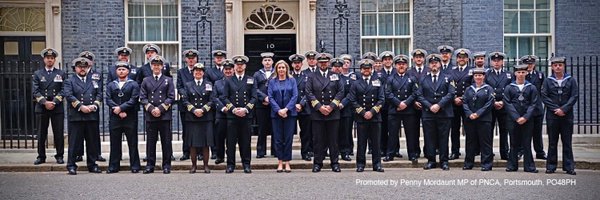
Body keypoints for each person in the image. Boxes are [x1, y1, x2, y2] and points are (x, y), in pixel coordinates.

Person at [305, 53, 344, 173]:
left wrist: (332, 106)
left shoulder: (335, 75)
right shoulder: (311, 76)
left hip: (333, 113)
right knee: (318, 140)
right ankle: (317, 163)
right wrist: (320, 107)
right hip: (318, 113)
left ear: (328, 63)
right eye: (321, 62)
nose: (323, 64)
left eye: (325, 62)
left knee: (333, 140)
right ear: (317, 63)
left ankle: (335, 163)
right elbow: (308, 92)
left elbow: (341, 91)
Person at [64, 57, 102, 175]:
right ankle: (71, 165)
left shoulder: (94, 80)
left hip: (91, 116)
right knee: (74, 143)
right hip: (76, 116)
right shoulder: (69, 81)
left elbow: (99, 94)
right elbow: (69, 96)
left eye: (84, 67)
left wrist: (94, 105)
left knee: (91, 142)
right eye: (80, 67)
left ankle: (92, 164)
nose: (82, 69)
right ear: (75, 68)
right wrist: (81, 106)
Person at [417, 54, 455, 171]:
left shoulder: (448, 77)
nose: (434, 64)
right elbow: (419, 94)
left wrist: (439, 105)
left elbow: (451, 93)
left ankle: (444, 161)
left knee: (444, 137)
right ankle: (431, 160)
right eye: (432, 63)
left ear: (440, 64)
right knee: (429, 137)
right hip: (428, 113)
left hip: (444, 113)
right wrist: (430, 106)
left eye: (436, 62)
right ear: (429, 65)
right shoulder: (423, 79)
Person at [221, 55, 257, 174]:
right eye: (237, 65)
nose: (239, 66)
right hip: (232, 116)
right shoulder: (228, 80)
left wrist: (246, 109)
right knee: (230, 142)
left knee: (245, 142)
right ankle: (230, 165)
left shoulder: (250, 79)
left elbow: (254, 97)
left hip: (246, 116)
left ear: (245, 66)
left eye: (241, 65)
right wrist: (233, 109)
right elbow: (224, 97)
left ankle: (246, 164)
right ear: (234, 66)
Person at [139, 55, 175, 174]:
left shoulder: (168, 80)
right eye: (154, 65)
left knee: (166, 141)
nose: (156, 67)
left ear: (162, 66)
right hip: (150, 115)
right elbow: (143, 97)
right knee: (151, 141)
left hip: (164, 115)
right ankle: (150, 165)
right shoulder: (146, 80)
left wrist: (160, 109)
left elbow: (171, 97)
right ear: (151, 66)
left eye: (158, 65)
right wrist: (151, 109)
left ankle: (166, 165)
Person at [543, 56, 578, 175]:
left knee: (567, 142)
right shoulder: (548, 81)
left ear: (563, 66)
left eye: (560, 65)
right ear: (552, 67)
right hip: (552, 115)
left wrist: (564, 109)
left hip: (566, 115)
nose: (558, 67)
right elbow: (545, 97)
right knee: (552, 142)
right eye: (555, 65)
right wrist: (555, 109)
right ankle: (551, 166)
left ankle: (569, 167)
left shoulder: (571, 80)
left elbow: (574, 96)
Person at [348, 59, 385, 173]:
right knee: (361, 142)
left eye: (368, 69)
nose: (366, 70)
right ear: (361, 70)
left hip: (375, 117)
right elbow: (352, 100)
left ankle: (377, 164)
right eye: (364, 69)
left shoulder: (377, 81)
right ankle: (360, 164)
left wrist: (372, 112)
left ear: (371, 70)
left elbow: (381, 99)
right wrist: (363, 113)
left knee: (376, 143)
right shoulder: (355, 84)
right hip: (361, 117)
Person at [105, 61, 141, 173]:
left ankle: (135, 166)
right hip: (115, 117)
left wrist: (122, 108)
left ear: (128, 71)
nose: (121, 71)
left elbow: (134, 99)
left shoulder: (133, 84)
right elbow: (108, 99)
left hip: (129, 116)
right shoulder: (111, 85)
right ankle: (113, 166)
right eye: (119, 69)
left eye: (123, 69)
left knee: (132, 142)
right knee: (114, 142)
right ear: (116, 71)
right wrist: (117, 109)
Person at [32, 48, 65, 165]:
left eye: (52, 58)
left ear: (54, 60)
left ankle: (59, 156)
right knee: (41, 133)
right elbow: (35, 91)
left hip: (57, 107)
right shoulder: (38, 74)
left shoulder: (61, 73)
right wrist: (45, 102)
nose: (50, 60)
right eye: (47, 58)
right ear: (44, 59)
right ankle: (41, 156)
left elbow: (64, 90)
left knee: (58, 133)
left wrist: (55, 102)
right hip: (42, 107)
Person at [181, 63, 216, 174]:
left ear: (203, 73)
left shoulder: (209, 84)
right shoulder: (188, 85)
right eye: (196, 71)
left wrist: (203, 109)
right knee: (193, 144)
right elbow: (185, 100)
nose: (198, 72)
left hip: (206, 117)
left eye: (200, 71)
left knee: (206, 143)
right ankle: (194, 166)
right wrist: (194, 110)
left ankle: (206, 165)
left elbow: (212, 99)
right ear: (193, 72)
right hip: (192, 117)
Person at [504, 64, 539, 173]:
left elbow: (533, 104)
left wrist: (525, 117)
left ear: (526, 73)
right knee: (513, 142)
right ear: (515, 73)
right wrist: (516, 117)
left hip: (527, 119)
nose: (521, 74)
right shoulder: (509, 87)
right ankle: (512, 165)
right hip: (513, 119)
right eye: (518, 72)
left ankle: (529, 166)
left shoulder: (531, 87)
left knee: (527, 142)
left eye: (523, 72)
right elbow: (507, 103)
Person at [384, 55, 419, 162]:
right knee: (392, 133)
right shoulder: (390, 79)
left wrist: (406, 103)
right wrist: (398, 103)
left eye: (403, 64)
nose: (401, 66)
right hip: (394, 110)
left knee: (410, 133)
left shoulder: (412, 78)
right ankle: (390, 154)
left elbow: (415, 93)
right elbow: (388, 93)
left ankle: (412, 154)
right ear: (395, 66)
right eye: (399, 64)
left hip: (409, 110)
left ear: (407, 66)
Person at [268, 60, 298, 173]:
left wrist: (286, 109)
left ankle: (287, 162)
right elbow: (270, 97)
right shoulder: (272, 81)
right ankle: (280, 161)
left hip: (289, 114)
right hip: (276, 114)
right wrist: (279, 110)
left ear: (286, 69)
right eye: (279, 68)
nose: (281, 70)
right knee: (278, 139)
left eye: (283, 67)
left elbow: (295, 96)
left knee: (288, 139)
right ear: (276, 69)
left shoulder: (292, 80)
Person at [462, 68, 494, 171]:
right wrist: (470, 114)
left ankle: (486, 164)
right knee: (470, 142)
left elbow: (489, 104)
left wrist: (478, 114)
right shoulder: (469, 89)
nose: (478, 77)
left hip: (484, 119)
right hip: (470, 119)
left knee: (485, 142)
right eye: (476, 76)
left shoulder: (488, 89)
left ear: (484, 76)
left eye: (480, 75)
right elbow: (465, 102)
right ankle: (468, 163)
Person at [485, 52, 512, 160]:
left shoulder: (508, 74)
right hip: (490, 106)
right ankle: (488, 153)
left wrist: (503, 102)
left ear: (502, 62)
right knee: (488, 131)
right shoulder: (487, 75)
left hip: (504, 106)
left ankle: (504, 153)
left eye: (499, 60)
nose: (496, 62)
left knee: (504, 130)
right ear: (491, 62)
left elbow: (511, 90)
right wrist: (493, 102)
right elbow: (485, 90)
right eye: (494, 61)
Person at [521, 55, 547, 160]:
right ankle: (521, 151)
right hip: (524, 108)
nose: (529, 66)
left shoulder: (540, 75)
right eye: (527, 64)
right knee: (523, 132)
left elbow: (543, 90)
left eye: (531, 64)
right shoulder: (521, 75)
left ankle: (539, 152)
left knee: (537, 131)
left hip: (537, 108)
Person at [449, 48, 473, 160]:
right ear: (457, 59)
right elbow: (449, 86)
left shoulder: (471, 71)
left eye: (463, 57)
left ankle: (469, 152)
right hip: (454, 104)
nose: (461, 59)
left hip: (466, 104)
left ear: (467, 59)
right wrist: (454, 98)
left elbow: (473, 87)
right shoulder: (452, 72)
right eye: (459, 57)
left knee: (469, 129)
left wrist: (463, 98)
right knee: (454, 129)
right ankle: (455, 151)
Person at [176, 49, 200, 161]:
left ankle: (199, 152)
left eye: (193, 58)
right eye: (189, 58)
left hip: (199, 104)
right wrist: (186, 95)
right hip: (185, 105)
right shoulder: (181, 72)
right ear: (186, 60)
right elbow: (179, 86)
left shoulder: (200, 70)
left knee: (199, 129)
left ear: (196, 59)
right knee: (186, 130)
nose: (191, 60)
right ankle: (186, 152)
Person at [290, 54, 313, 161]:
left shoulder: (307, 76)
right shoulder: (288, 76)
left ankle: (305, 153)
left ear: (301, 64)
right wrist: (294, 104)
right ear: (292, 64)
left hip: (305, 107)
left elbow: (309, 92)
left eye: (298, 63)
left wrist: (301, 104)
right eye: (295, 63)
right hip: (291, 107)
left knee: (306, 132)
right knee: (289, 132)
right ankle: (287, 154)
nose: (297, 65)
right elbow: (287, 92)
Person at [332, 57, 355, 161]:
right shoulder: (329, 78)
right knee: (333, 132)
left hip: (345, 109)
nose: (337, 69)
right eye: (335, 67)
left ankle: (345, 152)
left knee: (345, 132)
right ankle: (334, 152)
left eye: (339, 67)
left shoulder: (347, 80)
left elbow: (351, 94)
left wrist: (342, 103)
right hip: (332, 109)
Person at [213, 59, 235, 165]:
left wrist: (231, 108)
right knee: (219, 137)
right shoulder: (217, 83)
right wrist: (223, 108)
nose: (228, 71)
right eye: (226, 69)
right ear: (223, 71)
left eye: (230, 69)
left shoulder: (236, 81)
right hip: (221, 113)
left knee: (231, 138)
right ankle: (220, 156)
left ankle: (231, 156)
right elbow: (215, 97)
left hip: (233, 113)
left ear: (233, 70)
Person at [254, 52, 275, 159]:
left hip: (274, 105)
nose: (267, 62)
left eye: (269, 60)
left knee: (274, 128)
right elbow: (255, 88)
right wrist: (264, 98)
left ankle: (275, 151)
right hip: (261, 105)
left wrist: (270, 99)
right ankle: (260, 151)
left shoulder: (276, 73)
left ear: (272, 62)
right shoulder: (257, 74)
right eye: (265, 60)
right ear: (262, 62)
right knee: (262, 128)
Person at [377, 51, 396, 158]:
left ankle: (395, 149)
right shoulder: (379, 73)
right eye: (385, 60)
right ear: (383, 62)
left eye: (389, 59)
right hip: (383, 106)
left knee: (394, 129)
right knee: (383, 128)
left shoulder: (396, 71)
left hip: (393, 104)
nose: (387, 61)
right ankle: (383, 149)